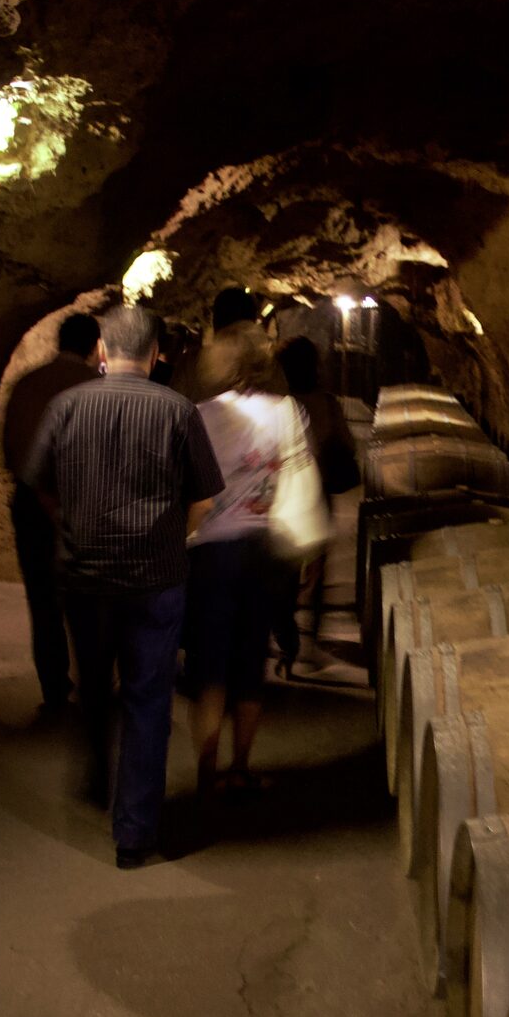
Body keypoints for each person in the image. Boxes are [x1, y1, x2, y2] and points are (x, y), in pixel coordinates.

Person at [28, 304, 222, 869]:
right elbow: (205, 498)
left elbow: (39, 481)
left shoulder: (65, 406)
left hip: (85, 574)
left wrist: (71, 525)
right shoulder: (179, 411)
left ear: (104, 351)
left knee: (92, 681)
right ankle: (134, 833)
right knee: (147, 698)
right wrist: (172, 539)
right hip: (154, 579)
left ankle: (94, 775)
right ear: (157, 354)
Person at [186, 327, 324, 799]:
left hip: (210, 551)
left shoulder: (200, 416)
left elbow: (188, 491)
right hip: (263, 550)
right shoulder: (287, 412)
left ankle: (206, 771)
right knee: (249, 663)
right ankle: (240, 767)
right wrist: (308, 554)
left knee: (208, 667)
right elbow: (300, 480)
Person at [2, 312, 102, 712]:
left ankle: (54, 690)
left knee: (42, 603)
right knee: (90, 602)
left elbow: (7, 451)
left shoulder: (26, 384)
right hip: (84, 507)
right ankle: (93, 684)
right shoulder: (98, 389)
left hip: (31, 503)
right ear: (95, 346)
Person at [277, 335, 359, 668]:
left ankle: (287, 635)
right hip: (319, 492)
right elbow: (348, 445)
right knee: (317, 569)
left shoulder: (279, 403)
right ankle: (311, 634)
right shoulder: (326, 403)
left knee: (284, 567)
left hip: (284, 494)